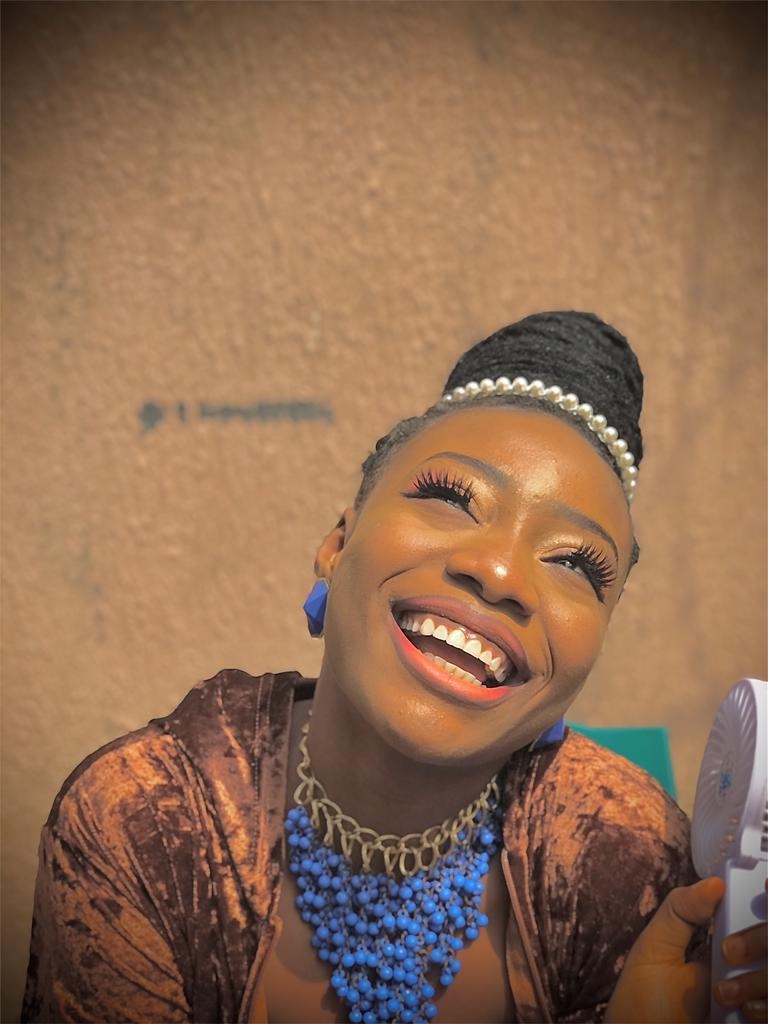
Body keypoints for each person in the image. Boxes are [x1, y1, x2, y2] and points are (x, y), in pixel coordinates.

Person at [22, 312, 766, 1024]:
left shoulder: (627, 854)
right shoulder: (148, 821)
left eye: (574, 562)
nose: (500, 572)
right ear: (337, 545)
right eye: (452, 499)